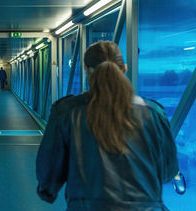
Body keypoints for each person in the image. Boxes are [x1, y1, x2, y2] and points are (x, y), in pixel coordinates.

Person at [36, 41, 178, 210]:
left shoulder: (67, 112)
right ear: (124, 69)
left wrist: (48, 189)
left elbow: (48, 172)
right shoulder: (153, 113)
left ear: (86, 70)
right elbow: (168, 171)